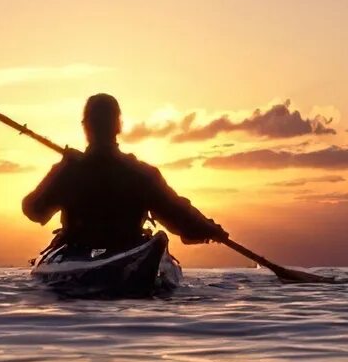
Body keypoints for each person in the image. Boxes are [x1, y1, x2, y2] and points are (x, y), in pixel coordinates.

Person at [22, 93, 228, 252]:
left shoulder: (68, 172)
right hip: (125, 246)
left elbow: (33, 209)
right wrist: (208, 228)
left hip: (80, 249)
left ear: (86, 127)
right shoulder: (142, 174)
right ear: (118, 125)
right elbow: (179, 215)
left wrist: (58, 170)